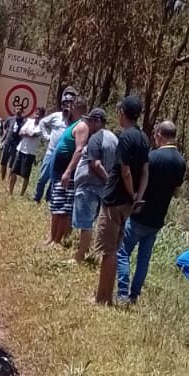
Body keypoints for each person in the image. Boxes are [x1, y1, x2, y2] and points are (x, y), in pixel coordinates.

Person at [116, 121, 186, 303]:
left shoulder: (153, 157)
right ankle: (134, 295)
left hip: (140, 212)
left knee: (122, 252)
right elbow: (177, 190)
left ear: (159, 135)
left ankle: (122, 293)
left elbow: (140, 180)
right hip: (157, 217)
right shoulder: (181, 161)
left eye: (155, 135)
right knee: (143, 258)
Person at [94, 96, 149, 304]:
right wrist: (138, 196)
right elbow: (145, 171)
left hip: (114, 200)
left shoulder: (126, 137)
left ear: (122, 113)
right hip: (127, 203)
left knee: (108, 252)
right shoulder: (144, 138)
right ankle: (106, 295)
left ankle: (103, 297)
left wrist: (132, 191)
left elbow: (125, 171)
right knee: (115, 250)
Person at [71, 108, 117, 262]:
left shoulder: (95, 138)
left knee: (85, 224)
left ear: (97, 121)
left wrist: (108, 180)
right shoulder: (114, 139)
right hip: (101, 190)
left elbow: (95, 164)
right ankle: (85, 251)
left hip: (90, 187)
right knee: (90, 222)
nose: (88, 124)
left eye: (90, 121)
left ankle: (79, 257)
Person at [47, 97, 88, 245]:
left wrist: (68, 171)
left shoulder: (82, 126)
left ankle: (57, 240)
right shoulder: (72, 124)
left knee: (63, 208)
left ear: (76, 107)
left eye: (70, 105)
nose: (68, 108)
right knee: (55, 205)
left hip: (66, 174)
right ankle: (52, 238)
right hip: (58, 173)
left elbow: (79, 150)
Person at [34, 87, 76, 203]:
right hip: (50, 152)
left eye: (70, 103)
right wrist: (46, 136)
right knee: (43, 177)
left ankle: (49, 199)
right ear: (62, 104)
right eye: (65, 103)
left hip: (63, 156)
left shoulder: (74, 121)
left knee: (55, 180)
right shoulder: (56, 116)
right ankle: (36, 198)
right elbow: (42, 122)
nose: (67, 106)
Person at [9, 107, 45, 196]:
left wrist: (27, 132)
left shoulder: (42, 127)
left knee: (25, 175)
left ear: (42, 116)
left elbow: (33, 135)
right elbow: (20, 133)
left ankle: (21, 194)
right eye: (36, 113)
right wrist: (28, 133)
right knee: (13, 171)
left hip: (30, 153)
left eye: (39, 115)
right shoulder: (29, 121)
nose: (37, 116)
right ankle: (10, 192)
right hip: (20, 149)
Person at [0, 108, 24, 181]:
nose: (18, 111)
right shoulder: (10, 119)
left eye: (20, 109)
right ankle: (2, 178)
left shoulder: (24, 122)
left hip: (15, 145)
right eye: (17, 109)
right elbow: (5, 129)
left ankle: (8, 179)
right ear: (14, 110)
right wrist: (1, 140)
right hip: (7, 143)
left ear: (22, 112)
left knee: (12, 164)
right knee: (3, 161)